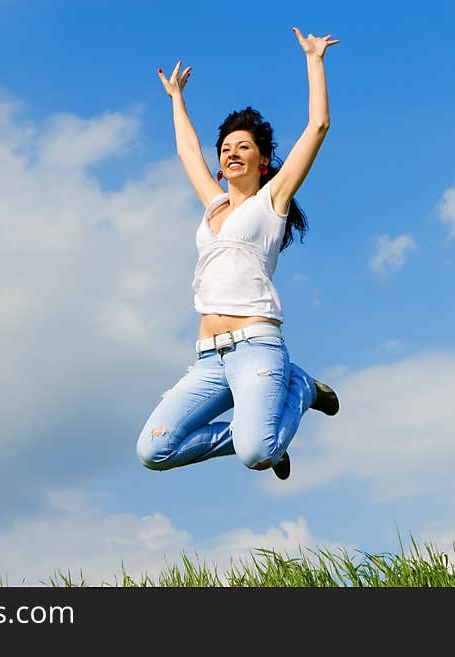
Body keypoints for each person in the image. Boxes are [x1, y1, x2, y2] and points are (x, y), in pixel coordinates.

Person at [136, 27, 340, 480]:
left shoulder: (272, 203)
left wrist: (314, 60)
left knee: (255, 455)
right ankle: (263, 430)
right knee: (154, 450)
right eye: (225, 149)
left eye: (242, 147)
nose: (231, 153)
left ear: (263, 160)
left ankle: (299, 388)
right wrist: (176, 100)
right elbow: (187, 150)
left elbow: (318, 126)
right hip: (209, 356)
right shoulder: (213, 204)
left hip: (257, 347)